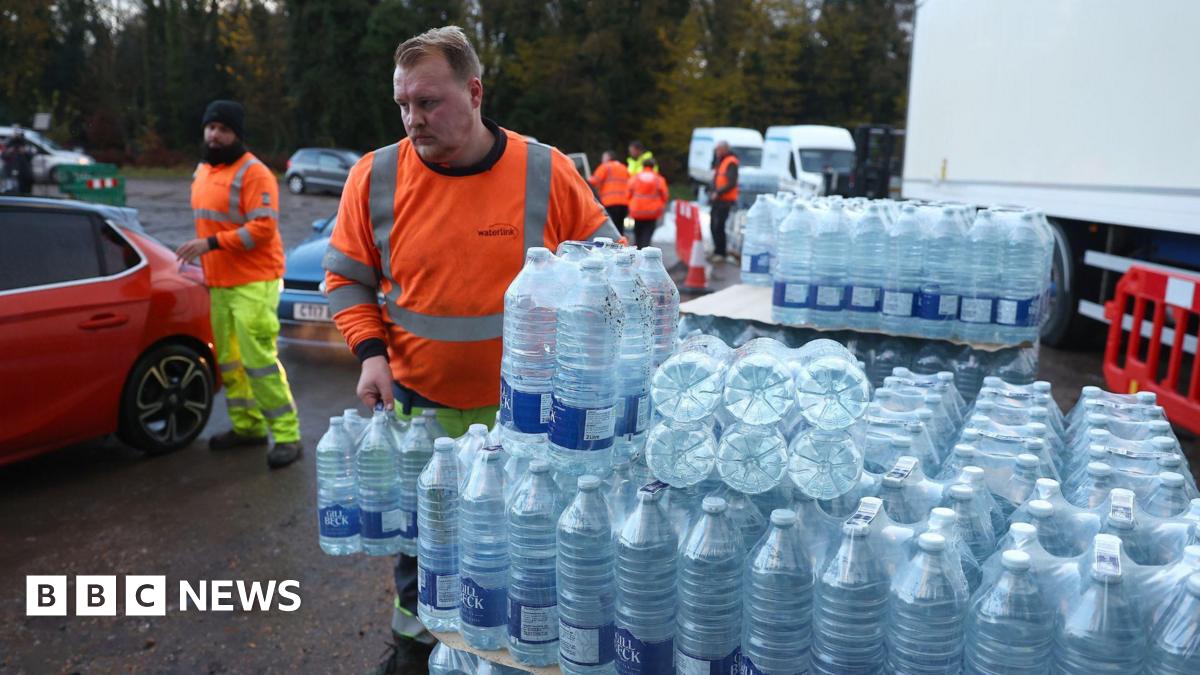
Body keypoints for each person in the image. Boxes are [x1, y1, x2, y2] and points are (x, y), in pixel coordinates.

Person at [320, 26, 618, 672]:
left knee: (520, 547)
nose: (412, 118)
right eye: (402, 104)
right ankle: (413, 653)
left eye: (428, 102)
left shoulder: (545, 171)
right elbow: (346, 276)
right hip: (419, 408)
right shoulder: (375, 177)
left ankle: (507, 658)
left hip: (526, 423)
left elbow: (611, 269)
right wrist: (370, 352)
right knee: (421, 543)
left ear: (474, 91)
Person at [176, 100, 303, 469]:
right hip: (219, 283)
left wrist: (211, 244)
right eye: (211, 127)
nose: (215, 135)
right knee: (230, 364)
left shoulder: (255, 173)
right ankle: (247, 427)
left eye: (223, 130)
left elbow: (263, 229)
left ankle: (287, 435)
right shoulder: (203, 169)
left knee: (259, 362)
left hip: (254, 282)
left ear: (237, 135)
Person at [627, 158, 669, 249]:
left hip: (637, 211)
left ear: (642, 166)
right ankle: (645, 250)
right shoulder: (659, 179)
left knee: (637, 233)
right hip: (652, 212)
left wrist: (631, 203)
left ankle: (637, 250)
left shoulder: (636, 178)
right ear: (654, 166)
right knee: (647, 234)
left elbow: (628, 192)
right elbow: (665, 195)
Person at [709, 140, 740, 263]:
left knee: (719, 226)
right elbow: (717, 178)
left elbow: (731, 182)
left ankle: (720, 252)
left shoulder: (731, 162)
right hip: (718, 199)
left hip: (725, 200)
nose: (716, 152)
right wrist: (712, 190)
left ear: (724, 150)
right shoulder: (721, 161)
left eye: (718, 150)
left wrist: (718, 192)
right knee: (713, 225)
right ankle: (717, 250)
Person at [588, 150, 630, 235]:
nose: (602, 159)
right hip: (624, 202)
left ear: (608, 157)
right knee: (620, 227)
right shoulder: (624, 168)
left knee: (611, 227)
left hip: (610, 202)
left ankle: (613, 245)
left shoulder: (605, 166)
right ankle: (621, 245)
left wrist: (586, 178)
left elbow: (594, 181)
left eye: (603, 157)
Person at [3, 129, 35, 195]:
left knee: (25, 190)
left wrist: (25, 151)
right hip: (11, 171)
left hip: (24, 173)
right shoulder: (9, 144)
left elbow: (31, 156)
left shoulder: (26, 145)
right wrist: (9, 151)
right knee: (11, 188)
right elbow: (4, 156)